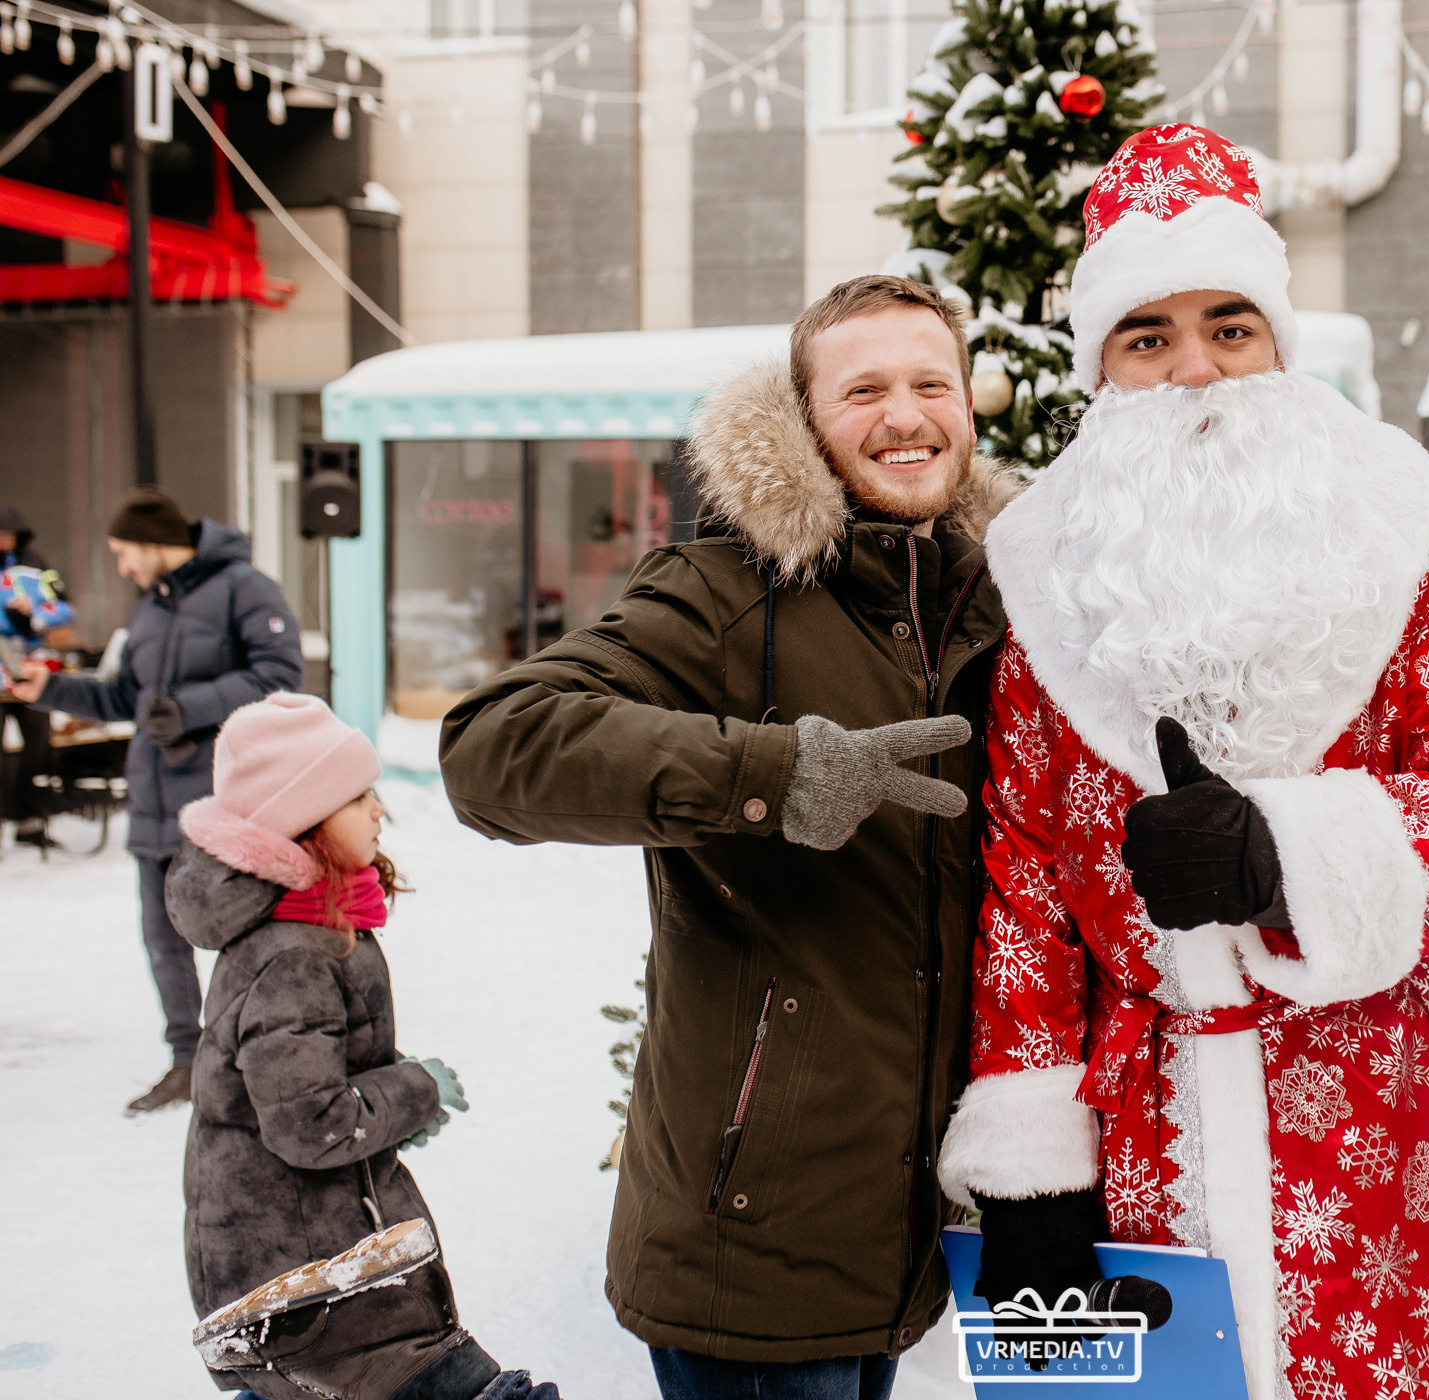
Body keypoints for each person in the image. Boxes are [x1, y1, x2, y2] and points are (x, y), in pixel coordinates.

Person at [934, 124, 1429, 1400]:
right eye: (1149, 334)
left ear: (1279, 340)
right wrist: (1032, 1161)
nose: (1196, 371)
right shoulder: (1045, 567)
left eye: (1231, 326)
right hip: (1137, 1124)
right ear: (1102, 366)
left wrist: (1283, 847)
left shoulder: (1413, 532)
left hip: (1380, 1112)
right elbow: (1021, 876)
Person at [439, 274, 1020, 1400]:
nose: (905, 415)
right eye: (864, 390)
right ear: (806, 420)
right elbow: (493, 747)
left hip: (895, 1235)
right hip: (745, 1242)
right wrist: (772, 772)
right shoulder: (719, 591)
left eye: (929, 383)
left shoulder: (991, 600)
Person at [164, 693, 559, 1400]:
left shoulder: (311, 926)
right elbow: (309, 1122)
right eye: (358, 797)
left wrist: (384, 1101)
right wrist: (414, 1090)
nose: (380, 810)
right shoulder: (293, 955)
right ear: (303, 825)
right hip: (301, 1278)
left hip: (312, 1250)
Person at [7, 488, 303, 1114]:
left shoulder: (243, 587)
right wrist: (49, 689)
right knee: (163, 939)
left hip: (222, 805)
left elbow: (280, 672)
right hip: (152, 804)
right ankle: (189, 1062)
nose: (121, 568)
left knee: (242, 938)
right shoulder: (152, 609)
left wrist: (191, 709)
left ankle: (254, 1060)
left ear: (152, 542)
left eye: (123, 553)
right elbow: (125, 701)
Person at [0, 502, 70, 850]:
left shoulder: (35, 563)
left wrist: (36, 615)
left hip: (30, 667)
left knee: (39, 742)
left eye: (11, 534)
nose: (6, 540)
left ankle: (29, 821)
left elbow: (62, 602)